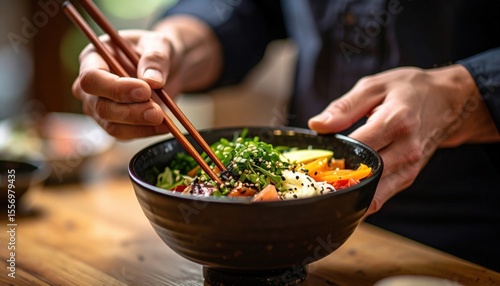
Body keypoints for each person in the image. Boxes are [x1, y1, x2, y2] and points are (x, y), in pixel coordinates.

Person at [72, 0, 500, 271]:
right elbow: (253, 8)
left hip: (470, 243)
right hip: (296, 230)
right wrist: (177, 46)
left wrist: (466, 92)